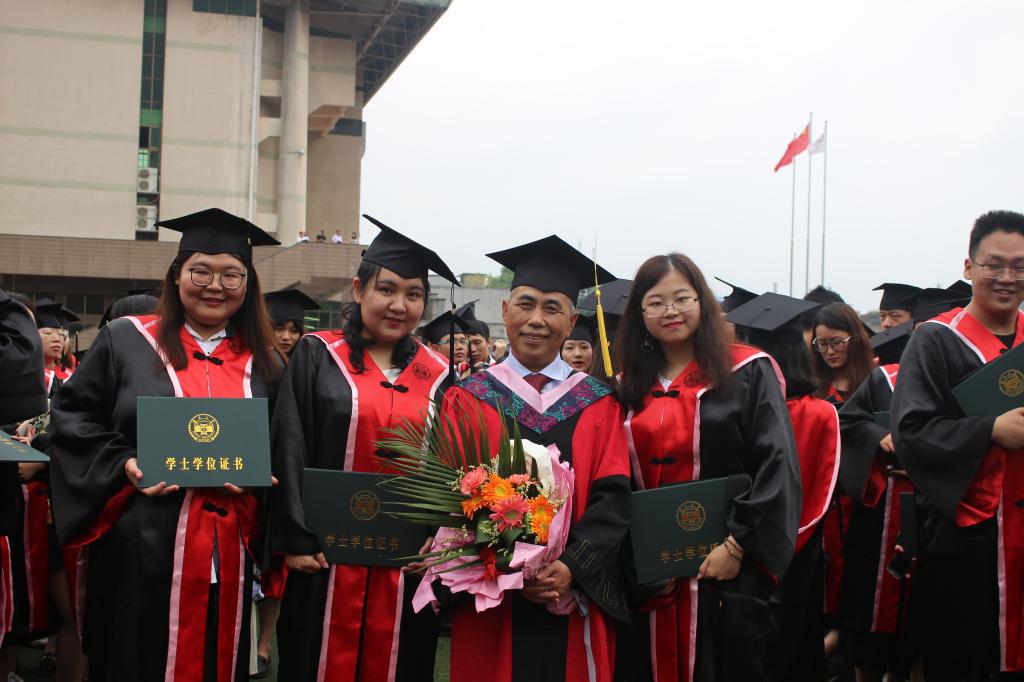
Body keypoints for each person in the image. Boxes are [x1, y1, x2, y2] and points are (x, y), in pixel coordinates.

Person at [47, 208, 284, 682]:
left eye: (231, 275)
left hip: (227, 551)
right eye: (201, 271)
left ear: (247, 284)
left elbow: (284, 443)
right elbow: (72, 418)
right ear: (177, 275)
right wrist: (125, 463)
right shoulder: (125, 340)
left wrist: (261, 477)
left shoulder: (267, 362)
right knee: (134, 659)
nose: (214, 286)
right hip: (139, 544)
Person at [268, 214, 458, 682]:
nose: (399, 305)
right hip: (323, 558)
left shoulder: (438, 374)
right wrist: (295, 538)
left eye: (413, 294)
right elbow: (289, 443)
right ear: (358, 290)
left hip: (406, 563)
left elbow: (451, 462)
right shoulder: (318, 354)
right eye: (386, 290)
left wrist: (440, 534)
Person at [438, 235, 630, 681]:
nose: (536, 320)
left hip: (570, 594)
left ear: (572, 320)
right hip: (492, 596)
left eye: (552, 308)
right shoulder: (468, 397)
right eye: (526, 304)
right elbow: (449, 494)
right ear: (506, 311)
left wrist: (571, 567)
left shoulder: (599, 402)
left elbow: (614, 498)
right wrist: (505, 566)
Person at [616, 254, 801, 682]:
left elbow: (778, 463)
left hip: (727, 572)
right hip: (650, 577)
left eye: (682, 298)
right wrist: (635, 562)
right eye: (655, 302)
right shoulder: (627, 385)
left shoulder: (748, 370)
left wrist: (738, 546)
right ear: (639, 313)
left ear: (703, 302)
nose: (671, 311)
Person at [892, 210, 1024, 680]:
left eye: (1019, 266)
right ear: (969, 267)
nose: (1007, 277)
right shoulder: (936, 340)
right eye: (994, 264)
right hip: (969, 536)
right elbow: (911, 432)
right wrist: (990, 430)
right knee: (966, 658)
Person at [725, 292, 839, 682]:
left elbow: (818, 495)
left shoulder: (819, 413)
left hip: (771, 554)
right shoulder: (739, 408)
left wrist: (757, 544)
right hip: (762, 549)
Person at [812, 302, 875, 405]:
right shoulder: (812, 388)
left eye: (837, 343)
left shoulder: (875, 381)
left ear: (855, 338)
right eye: (822, 344)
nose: (830, 351)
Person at [264, 288, 320, 356]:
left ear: (301, 334)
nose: (286, 337)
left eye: (294, 331)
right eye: (279, 329)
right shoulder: (256, 360)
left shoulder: (308, 360)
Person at [419, 310, 471, 376]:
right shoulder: (428, 376)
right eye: (452, 342)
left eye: (463, 341)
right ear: (434, 348)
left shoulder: (474, 375)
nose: (460, 347)